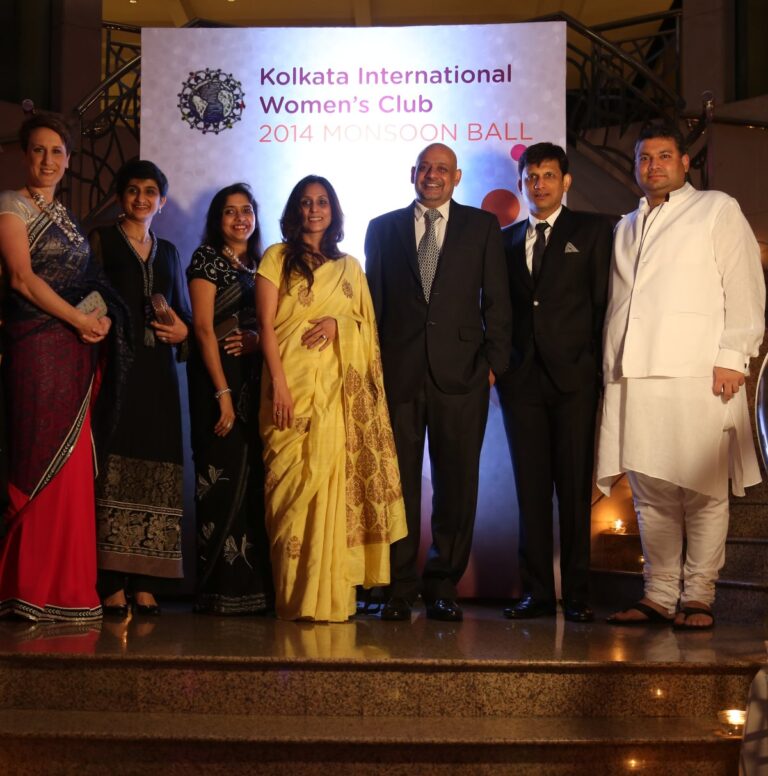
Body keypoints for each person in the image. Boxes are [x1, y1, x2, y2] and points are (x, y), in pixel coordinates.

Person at [598, 120, 765, 629]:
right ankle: (658, 592)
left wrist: (734, 355)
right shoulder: (625, 224)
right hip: (635, 371)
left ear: (685, 163)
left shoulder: (716, 208)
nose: (654, 166)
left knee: (703, 488)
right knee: (650, 492)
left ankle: (698, 595)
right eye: (645, 159)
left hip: (699, 369)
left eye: (664, 156)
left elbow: (743, 284)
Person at [365, 143, 512, 622]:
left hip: (463, 375)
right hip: (399, 375)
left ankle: (443, 584)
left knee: (456, 484)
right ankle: (399, 588)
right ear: (413, 173)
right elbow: (374, 307)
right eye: (426, 168)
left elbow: (498, 300)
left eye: (442, 169)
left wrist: (493, 362)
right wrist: (373, 370)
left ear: (457, 176)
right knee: (398, 486)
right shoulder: (382, 228)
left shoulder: (481, 226)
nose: (433, 175)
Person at [257, 174, 406, 622]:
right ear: (295, 210)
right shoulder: (276, 258)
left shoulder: (350, 268)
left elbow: (369, 332)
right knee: (288, 492)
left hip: (337, 402)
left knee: (332, 493)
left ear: (334, 211)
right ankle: (294, 598)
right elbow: (265, 327)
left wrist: (342, 326)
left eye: (322, 202)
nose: (313, 209)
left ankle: (332, 602)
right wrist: (279, 384)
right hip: (290, 390)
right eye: (305, 202)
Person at [0, 112, 128, 621]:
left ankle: (67, 589)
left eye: (57, 152)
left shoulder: (72, 221)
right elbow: (21, 280)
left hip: (76, 351)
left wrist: (100, 319)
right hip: (36, 349)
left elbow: (90, 283)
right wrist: (78, 316)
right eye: (38, 150)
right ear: (23, 154)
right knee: (36, 455)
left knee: (72, 467)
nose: (47, 160)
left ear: (69, 161)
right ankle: (23, 585)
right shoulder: (10, 207)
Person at [497, 143, 614, 623]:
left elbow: (603, 303)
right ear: (521, 183)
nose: (539, 184)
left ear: (566, 182)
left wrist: (594, 367)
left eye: (548, 175)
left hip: (574, 381)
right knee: (530, 491)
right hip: (521, 382)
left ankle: (579, 594)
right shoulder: (503, 239)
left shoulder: (592, 230)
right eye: (531, 177)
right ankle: (537, 593)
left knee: (572, 489)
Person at [89, 159, 190, 617]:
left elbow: (183, 313)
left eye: (151, 191)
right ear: (120, 195)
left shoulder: (168, 252)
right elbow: (84, 297)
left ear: (162, 202)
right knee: (114, 462)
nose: (142, 198)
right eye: (133, 189)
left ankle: (146, 583)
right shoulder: (102, 240)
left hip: (159, 374)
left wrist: (181, 332)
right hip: (117, 368)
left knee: (158, 465)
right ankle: (111, 582)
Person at [187, 183, 273, 615]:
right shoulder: (206, 259)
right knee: (220, 481)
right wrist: (222, 393)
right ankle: (219, 591)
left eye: (246, 211)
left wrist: (258, 338)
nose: (240, 219)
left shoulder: (261, 265)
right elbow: (203, 329)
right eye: (229, 212)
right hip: (216, 384)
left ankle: (254, 590)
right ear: (216, 220)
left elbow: (270, 324)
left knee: (255, 484)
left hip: (253, 385)